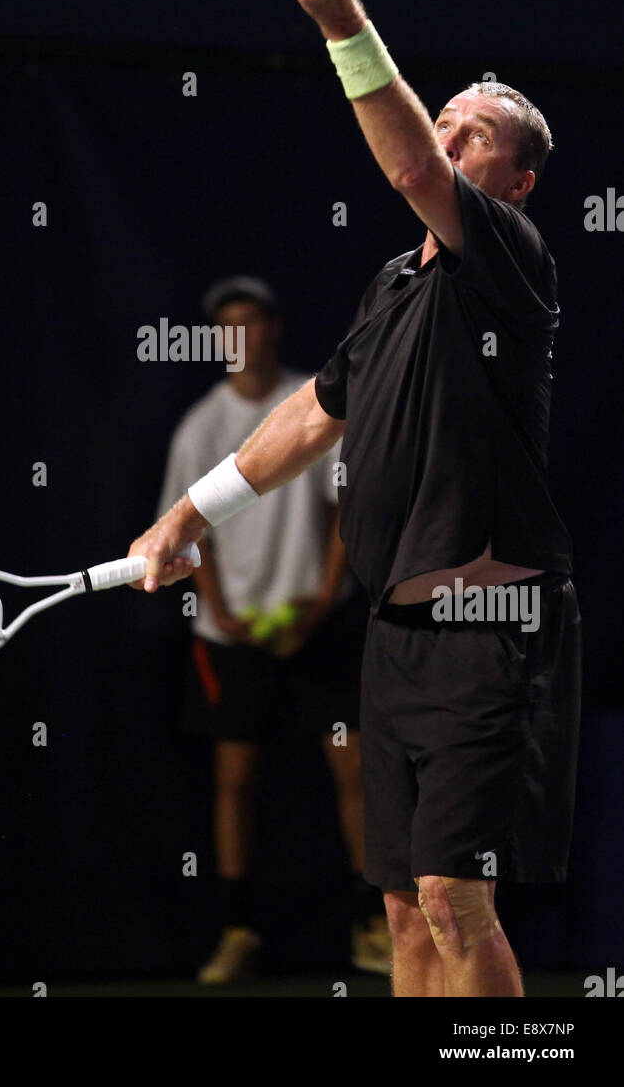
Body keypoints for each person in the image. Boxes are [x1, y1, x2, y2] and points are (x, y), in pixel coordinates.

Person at [127, 0, 581, 998]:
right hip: (393, 639)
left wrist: (340, 21)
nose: (451, 127)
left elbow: (409, 159)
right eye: (451, 112)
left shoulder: (511, 260)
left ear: (508, 184)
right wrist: (191, 511)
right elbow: (310, 415)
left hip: (489, 633)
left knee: (452, 896)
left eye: (474, 130)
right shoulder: (389, 289)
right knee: (397, 906)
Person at [156, 276, 386, 983]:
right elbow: (187, 534)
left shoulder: (311, 403)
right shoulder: (200, 427)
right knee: (237, 777)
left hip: (320, 625)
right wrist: (222, 615)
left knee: (355, 767)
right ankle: (239, 929)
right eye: (226, 324)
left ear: (273, 328)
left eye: (251, 320)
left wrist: (321, 599)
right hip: (233, 640)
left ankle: (372, 923)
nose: (239, 336)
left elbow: (343, 510)